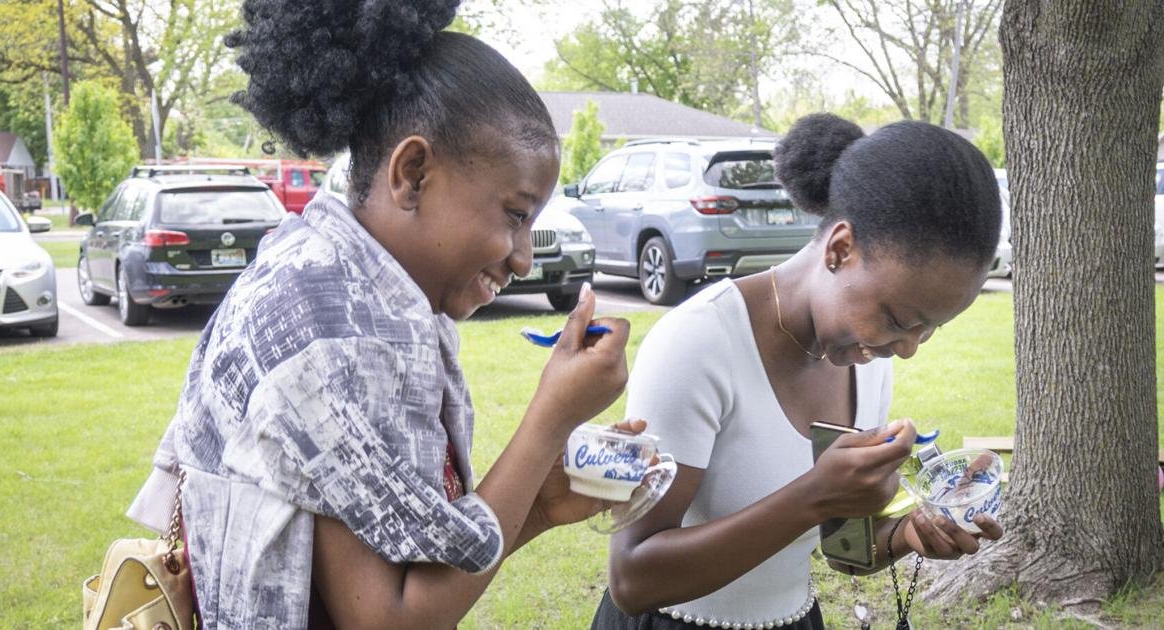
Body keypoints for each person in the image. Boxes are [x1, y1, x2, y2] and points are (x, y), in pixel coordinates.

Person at [125, 1, 634, 627]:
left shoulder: (311, 264)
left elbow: (412, 563)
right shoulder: (341, 331)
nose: (524, 260)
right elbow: (392, 620)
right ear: (412, 174)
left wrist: (539, 503)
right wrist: (551, 418)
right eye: (514, 215)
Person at [591, 113, 1006, 630]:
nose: (908, 349)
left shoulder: (864, 358)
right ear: (839, 249)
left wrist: (908, 535)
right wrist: (814, 495)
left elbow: (840, 548)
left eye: (929, 329)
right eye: (899, 321)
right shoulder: (700, 341)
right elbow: (633, 580)